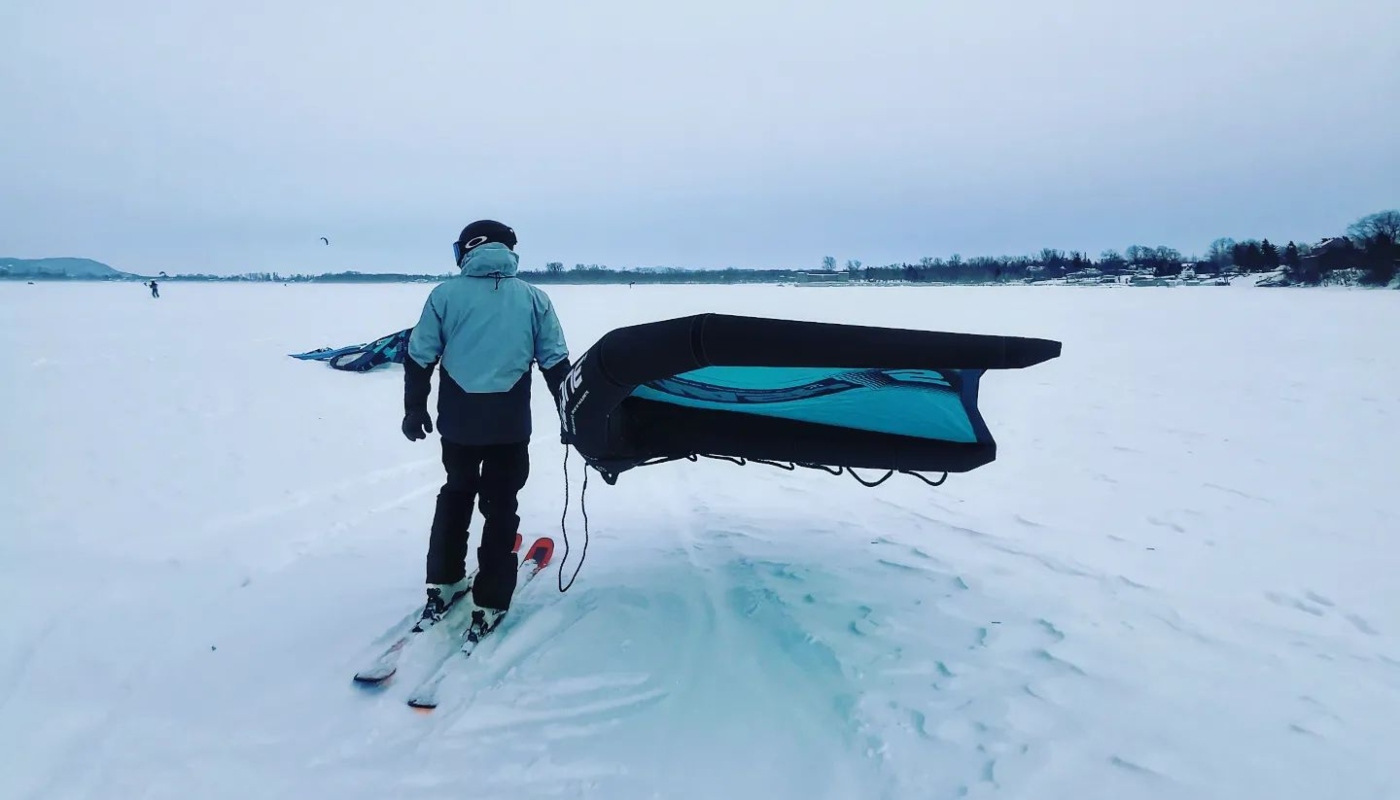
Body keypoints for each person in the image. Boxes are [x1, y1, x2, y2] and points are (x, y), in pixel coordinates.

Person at [401, 220, 571, 629]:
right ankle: (492, 599)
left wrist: (414, 408)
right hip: (509, 427)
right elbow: (556, 363)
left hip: (458, 425)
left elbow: (419, 356)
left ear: (467, 249)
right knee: (501, 505)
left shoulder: (444, 295)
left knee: (456, 493)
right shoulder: (534, 298)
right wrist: (570, 416)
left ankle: (444, 581)